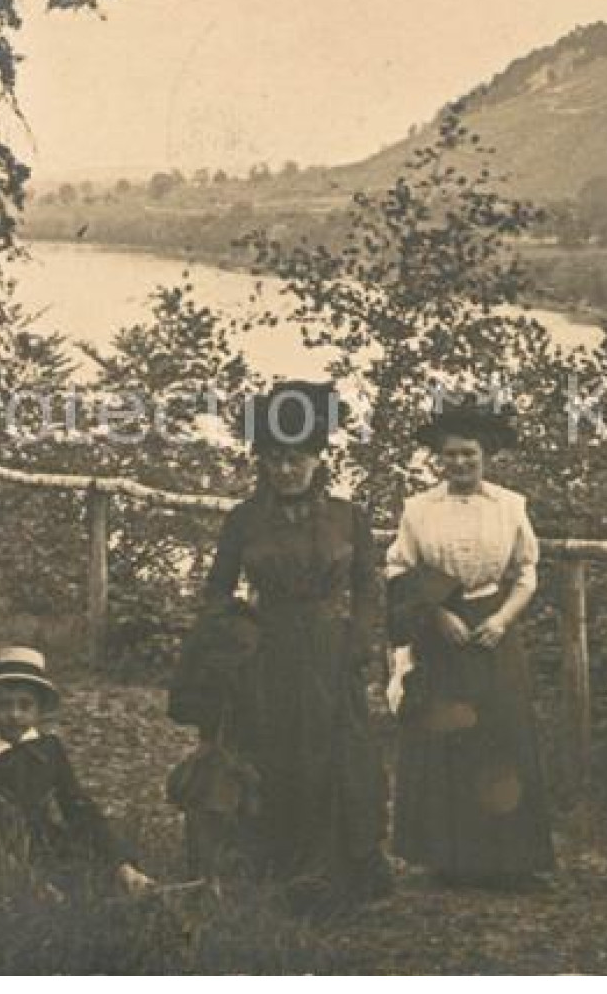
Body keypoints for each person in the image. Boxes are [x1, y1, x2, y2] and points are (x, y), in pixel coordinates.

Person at [199, 380, 391, 916]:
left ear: (317, 459)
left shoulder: (348, 517)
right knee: (271, 749)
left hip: (331, 652)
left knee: (334, 755)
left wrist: (359, 642)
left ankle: (334, 869)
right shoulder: (243, 520)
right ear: (261, 462)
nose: (285, 470)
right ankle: (274, 863)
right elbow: (217, 590)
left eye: (296, 458)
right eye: (275, 459)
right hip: (267, 651)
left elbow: (367, 587)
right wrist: (234, 632)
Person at [385, 392, 555, 886]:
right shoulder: (418, 510)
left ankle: (508, 861)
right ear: (438, 458)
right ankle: (449, 858)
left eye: (470, 455)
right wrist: (437, 612)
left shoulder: (509, 506)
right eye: (451, 454)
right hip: (442, 632)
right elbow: (400, 567)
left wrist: (502, 620)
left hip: (492, 627)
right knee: (447, 735)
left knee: (501, 736)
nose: (460, 463)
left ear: (486, 456)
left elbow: (526, 573)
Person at [0, 647, 154, 897]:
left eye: (25, 705)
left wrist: (121, 863)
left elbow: (78, 808)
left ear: (40, 709)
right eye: (4, 705)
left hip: (44, 850)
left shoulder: (48, 750)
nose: (15, 715)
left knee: (102, 883)